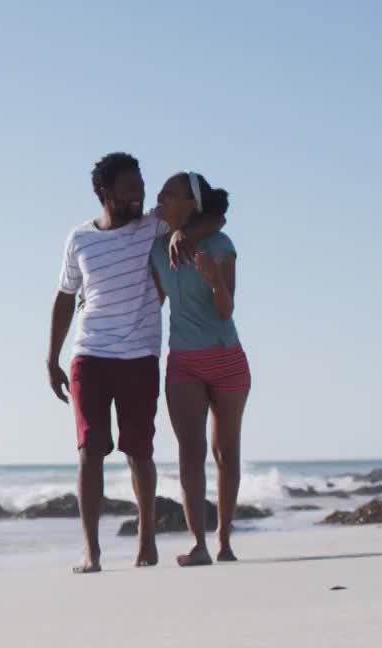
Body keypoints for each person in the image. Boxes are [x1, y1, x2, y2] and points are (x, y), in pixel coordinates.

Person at [46, 152, 223, 574]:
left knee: (139, 452)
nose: (138, 198)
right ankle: (92, 551)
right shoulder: (79, 239)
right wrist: (51, 357)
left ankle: (147, 543)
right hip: (89, 354)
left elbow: (217, 213)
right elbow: (65, 297)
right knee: (90, 448)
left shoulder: (153, 226)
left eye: (140, 190)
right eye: (129, 191)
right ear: (104, 192)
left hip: (140, 355)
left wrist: (188, 234)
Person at [149, 171, 248, 567]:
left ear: (190, 205)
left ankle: (224, 541)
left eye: (168, 193)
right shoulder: (157, 249)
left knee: (225, 451)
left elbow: (226, 310)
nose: (159, 196)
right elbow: (154, 301)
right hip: (183, 361)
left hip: (226, 357)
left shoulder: (221, 244)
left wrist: (213, 282)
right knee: (189, 453)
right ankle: (199, 545)